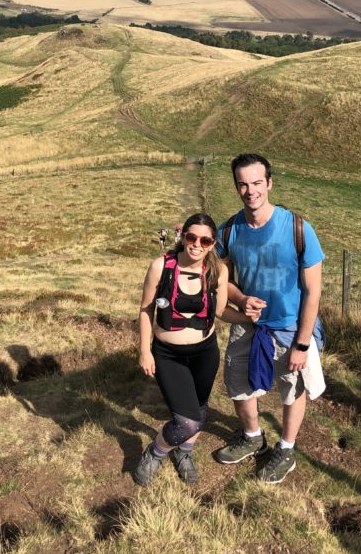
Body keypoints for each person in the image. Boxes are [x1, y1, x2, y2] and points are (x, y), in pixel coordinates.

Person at [214, 153, 325, 484]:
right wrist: (241, 298)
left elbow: (313, 292)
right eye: (243, 184)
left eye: (257, 183)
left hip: (291, 327)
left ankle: (287, 448)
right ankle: (252, 437)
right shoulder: (229, 231)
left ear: (270, 183)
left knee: (292, 390)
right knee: (238, 384)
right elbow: (221, 282)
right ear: (236, 187)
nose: (251, 191)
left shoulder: (298, 229)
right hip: (248, 326)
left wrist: (302, 344)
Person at [134, 212, 229, 486]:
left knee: (198, 412)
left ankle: (185, 452)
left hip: (205, 353)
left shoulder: (217, 271)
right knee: (186, 422)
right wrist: (144, 350)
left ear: (212, 244)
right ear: (183, 236)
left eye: (205, 240)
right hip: (168, 354)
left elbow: (221, 311)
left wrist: (249, 315)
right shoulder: (161, 266)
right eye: (191, 237)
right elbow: (146, 310)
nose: (197, 244)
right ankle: (157, 450)